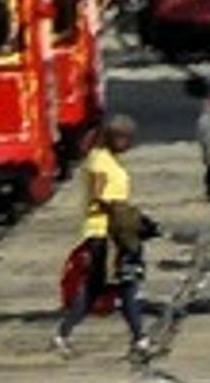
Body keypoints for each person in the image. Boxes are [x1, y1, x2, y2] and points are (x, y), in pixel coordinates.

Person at [52, 113, 157, 358]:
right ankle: (139, 339)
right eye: (125, 139)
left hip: (114, 232)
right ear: (114, 137)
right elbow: (100, 194)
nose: (128, 144)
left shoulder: (107, 159)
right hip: (105, 234)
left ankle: (64, 334)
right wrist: (125, 215)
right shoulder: (100, 161)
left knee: (99, 287)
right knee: (125, 285)